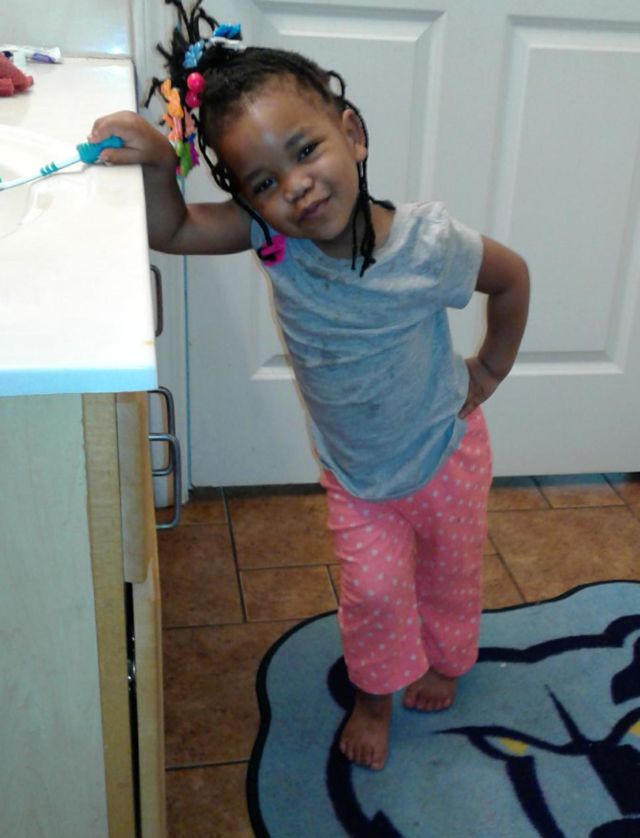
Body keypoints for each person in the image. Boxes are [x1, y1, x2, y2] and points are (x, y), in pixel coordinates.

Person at [90, 19, 529, 771]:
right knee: (374, 593)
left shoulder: (428, 246)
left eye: (305, 151)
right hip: (357, 476)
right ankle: (374, 698)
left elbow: (512, 277)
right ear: (248, 198)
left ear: (350, 133)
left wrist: (488, 369)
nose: (294, 185)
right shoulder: (274, 240)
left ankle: (449, 659)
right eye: (263, 182)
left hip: (446, 453)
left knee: (449, 574)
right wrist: (162, 164)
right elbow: (173, 230)